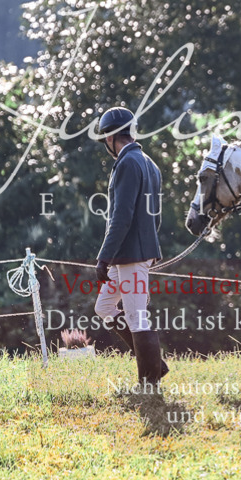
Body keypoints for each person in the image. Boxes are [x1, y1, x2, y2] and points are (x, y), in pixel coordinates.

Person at [92, 106, 168, 388]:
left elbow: (121, 217)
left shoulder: (126, 163)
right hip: (132, 253)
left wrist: (103, 257)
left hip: (129, 255)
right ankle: (156, 364)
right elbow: (155, 216)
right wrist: (149, 247)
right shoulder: (150, 163)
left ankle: (149, 382)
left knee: (136, 317)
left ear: (110, 137)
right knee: (104, 306)